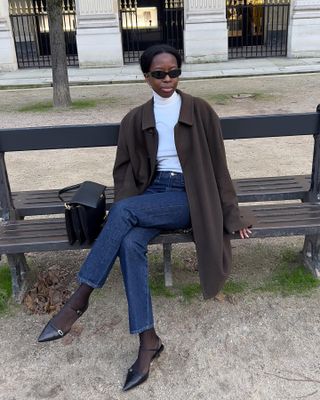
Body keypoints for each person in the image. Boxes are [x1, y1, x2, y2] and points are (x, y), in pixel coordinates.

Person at [38, 44, 252, 391]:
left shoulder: (201, 111)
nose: (168, 79)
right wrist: (132, 209)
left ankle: (79, 299)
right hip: (149, 196)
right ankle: (148, 340)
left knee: (123, 211)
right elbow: (123, 174)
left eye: (174, 72)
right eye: (159, 74)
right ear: (146, 77)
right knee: (128, 239)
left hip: (190, 197)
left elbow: (219, 168)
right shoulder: (135, 119)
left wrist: (233, 214)